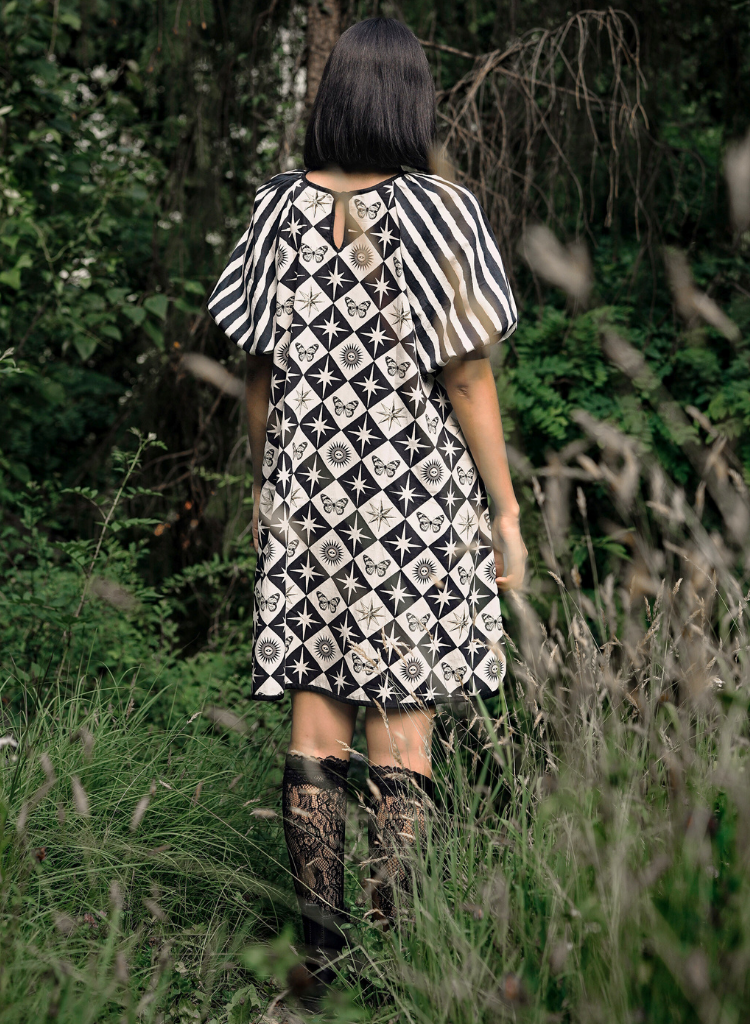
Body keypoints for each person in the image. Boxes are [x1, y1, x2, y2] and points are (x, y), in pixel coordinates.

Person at [207, 15, 527, 1003]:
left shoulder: (275, 210)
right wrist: (506, 510)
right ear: (410, 102)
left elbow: (257, 373)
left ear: (335, 96)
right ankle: (387, 975)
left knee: (315, 725)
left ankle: (321, 963)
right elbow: (467, 374)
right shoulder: (442, 212)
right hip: (415, 497)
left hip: (308, 494)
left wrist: (272, 484)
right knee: (402, 736)